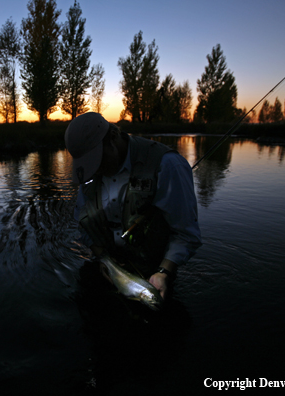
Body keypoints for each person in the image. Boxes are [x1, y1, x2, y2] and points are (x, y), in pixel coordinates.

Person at [66, 112, 202, 299]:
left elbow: (186, 234)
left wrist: (164, 272)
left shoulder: (168, 165)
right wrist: (102, 258)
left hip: (153, 273)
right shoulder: (90, 171)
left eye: (97, 159)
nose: (94, 169)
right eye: (88, 163)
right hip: (106, 265)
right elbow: (82, 220)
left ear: (113, 137)